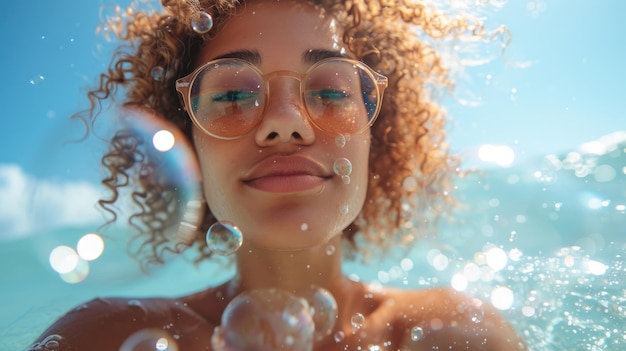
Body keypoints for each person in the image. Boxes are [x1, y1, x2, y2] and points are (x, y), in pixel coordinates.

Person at [30, 0, 527, 350]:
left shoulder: (457, 336)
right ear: (187, 140)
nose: (284, 121)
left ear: (378, 133)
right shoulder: (96, 339)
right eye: (229, 96)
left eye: (331, 92)